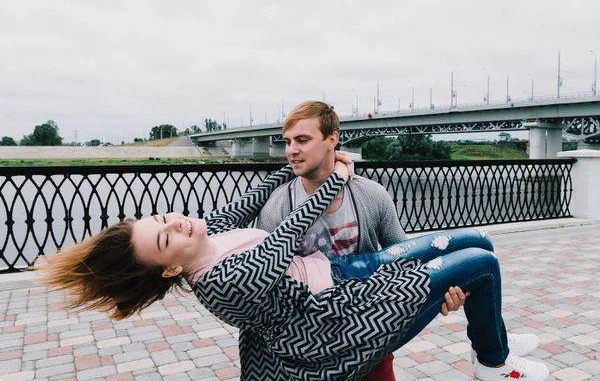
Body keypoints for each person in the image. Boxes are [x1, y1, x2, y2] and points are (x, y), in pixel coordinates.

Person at [36, 158, 550, 380]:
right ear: (168, 271)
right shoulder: (220, 280)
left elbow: (242, 206)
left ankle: (497, 338)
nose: (178, 224)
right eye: (166, 237)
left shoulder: (205, 240)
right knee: (479, 263)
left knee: (478, 239)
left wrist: (290, 170)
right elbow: (282, 239)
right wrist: (336, 178)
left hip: (348, 269)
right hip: (344, 312)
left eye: (164, 218)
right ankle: (493, 364)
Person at [255, 100, 403, 380]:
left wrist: (444, 292)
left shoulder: (372, 195)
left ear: (332, 139)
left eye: (302, 140)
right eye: (287, 142)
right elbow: (266, 286)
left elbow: (404, 258)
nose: (291, 150)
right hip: (308, 348)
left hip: (371, 337)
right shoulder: (277, 206)